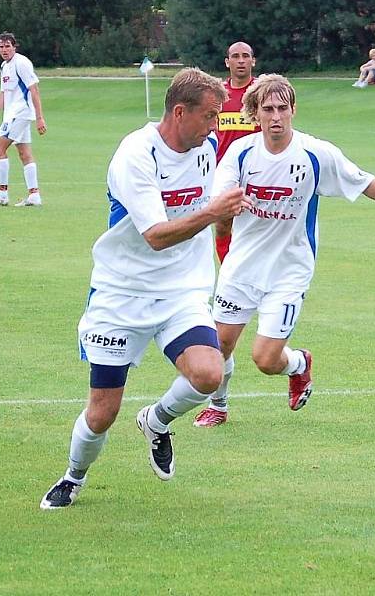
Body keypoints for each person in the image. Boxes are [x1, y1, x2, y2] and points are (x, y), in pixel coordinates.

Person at [39, 68, 252, 509]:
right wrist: (214, 212)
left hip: (181, 290)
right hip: (122, 292)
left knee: (209, 372)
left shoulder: (207, 148)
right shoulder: (135, 155)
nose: (216, 127)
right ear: (180, 111)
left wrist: (227, 219)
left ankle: (156, 421)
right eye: (210, 117)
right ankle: (73, 477)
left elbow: (211, 210)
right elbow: (156, 235)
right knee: (102, 413)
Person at [192, 74, 375, 427]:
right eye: (267, 109)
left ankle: (299, 364)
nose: (275, 116)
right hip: (242, 264)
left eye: (282, 108)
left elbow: (364, 181)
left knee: (265, 360)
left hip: (289, 270)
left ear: (293, 110)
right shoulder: (240, 153)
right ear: (256, 114)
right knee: (220, 347)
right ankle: (219, 405)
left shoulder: (315, 154)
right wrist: (226, 206)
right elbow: (220, 198)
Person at [0, 32, 46, 207]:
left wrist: (39, 117)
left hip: (21, 114)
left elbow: (34, 90)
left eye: (7, 46)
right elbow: (3, 93)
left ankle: (2, 194)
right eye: (1, 47)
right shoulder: (4, 66)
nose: (4, 50)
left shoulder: (22, 63)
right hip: (12, 114)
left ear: (14, 46)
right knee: (25, 154)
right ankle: (34, 195)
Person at [214, 41, 262, 263]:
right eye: (235, 56)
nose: (240, 60)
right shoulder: (218, 95)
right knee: (223, 224)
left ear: (253, 60)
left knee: (258, 225)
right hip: (226, 172)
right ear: (227, 62)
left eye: (245, 56)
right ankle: (227, 269)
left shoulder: (261, 93)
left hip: (260, 171)